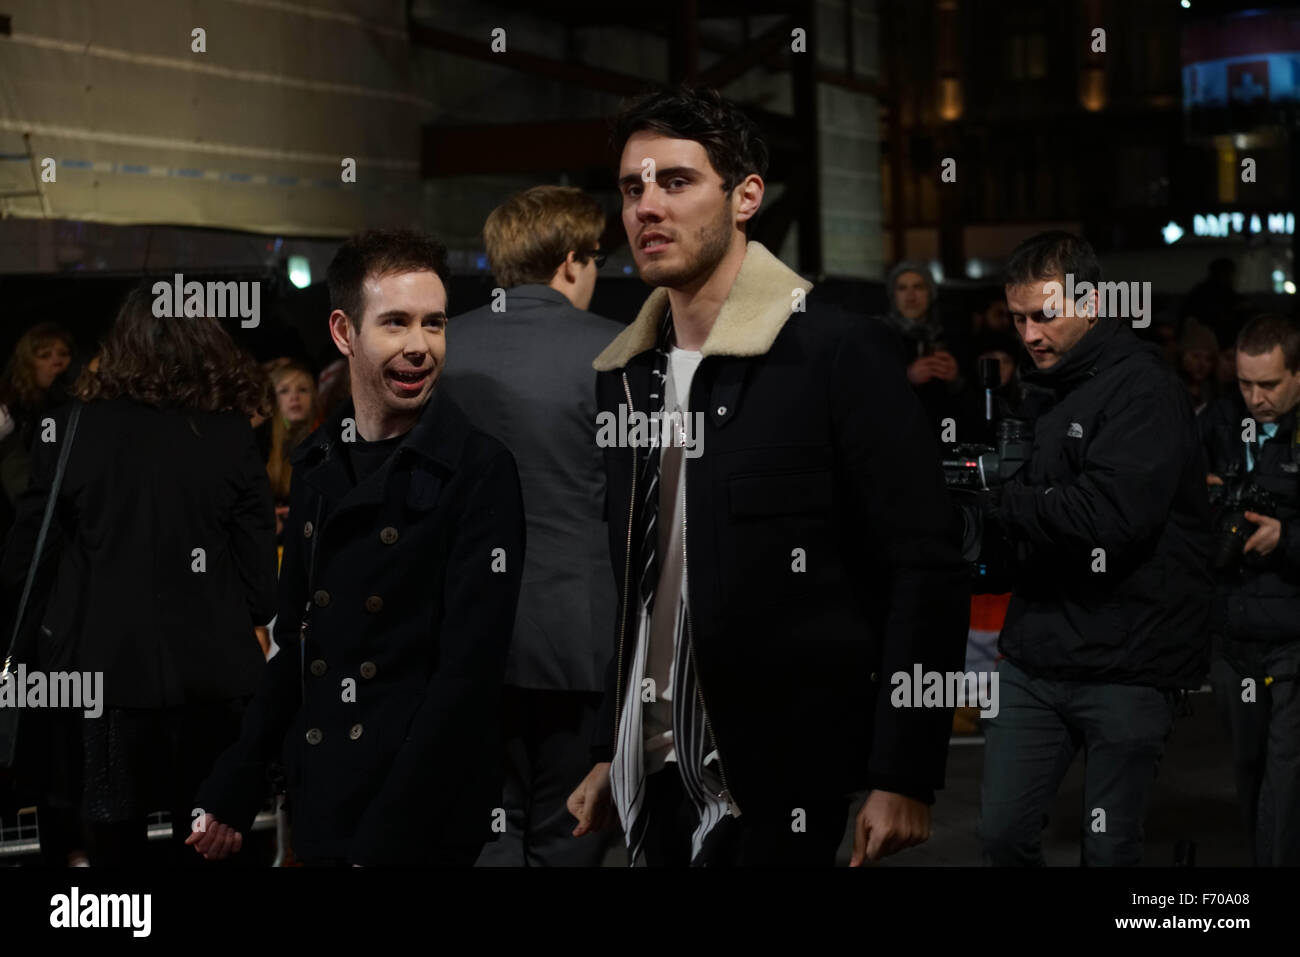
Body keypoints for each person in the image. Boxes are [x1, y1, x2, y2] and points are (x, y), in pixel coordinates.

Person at [565, 86, 969, 867]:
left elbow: (926, 566)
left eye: (676, 181)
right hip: (653, 768)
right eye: (632, 186)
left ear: (746, 196)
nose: (647, 205)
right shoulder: (625, 373)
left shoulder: (835, 353)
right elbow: (637, 586)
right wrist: (605, 746)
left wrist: (904, 770)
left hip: (781, 775)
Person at [190, 228, 525, 867]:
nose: (420, 347)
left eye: (435, 324)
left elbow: (466, 680)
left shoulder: (479, 470)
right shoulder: (316, 464)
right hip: (324, 800)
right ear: (345, 333)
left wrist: (383, 841)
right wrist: (236, 780)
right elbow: (295, 646)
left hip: (418, 820)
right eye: (395, 323)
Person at [0, 285, 278, 866]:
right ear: (205, 343)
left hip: (102, 688)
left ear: (120, 343)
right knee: (212, 846)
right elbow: (261, 589)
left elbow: (26, 565)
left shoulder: (70, 429)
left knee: (114, 864)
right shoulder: (230, 434)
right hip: (214, 687)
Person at [978, 231, 1213, 866]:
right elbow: (1033, 513)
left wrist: (1000, 497)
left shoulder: (1145, 390)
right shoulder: (1039, 390)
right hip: (1037, 657)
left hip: (1130, 663)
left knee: (1109, 852)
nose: (1028, 334)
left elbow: (1111, 518)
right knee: (999, 834)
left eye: (1044, 316)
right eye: (1019, 318)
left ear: (1094, 303)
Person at [439, 185, 622, 867]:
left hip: (465, 635)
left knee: (487, 828)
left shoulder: (444, 347)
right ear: (572, 260)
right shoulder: (618, 351)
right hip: (580, 640)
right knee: (567, 832)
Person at [1200, 314, 1300, 866]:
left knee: (1286, 779)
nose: (1255, 398)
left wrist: (1285, 537)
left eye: (1269, 384)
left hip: (1291, 636)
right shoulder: (1216, 422)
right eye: (1244, 384)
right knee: (1248, 765)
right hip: (1231, 634)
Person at [878, 261, 964, 431]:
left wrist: (956, 380)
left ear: (930, 293)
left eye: (918, 287)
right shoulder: (878, 336)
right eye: (902, 288)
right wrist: (906, 378)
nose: (910, 296)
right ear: (893, 296)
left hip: (945, 433)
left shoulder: (951, 335)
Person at [262, 358, 321, 537]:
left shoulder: (326, 443)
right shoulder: (263, 443)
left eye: (303, 390)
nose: (294, 397)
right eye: (284, 391)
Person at [1177, 319, 1219, 414]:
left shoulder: (1214, 394)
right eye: (1196, 356)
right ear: (1182, 355)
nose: (1202, 364)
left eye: (1209, 358)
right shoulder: (1169, 389)